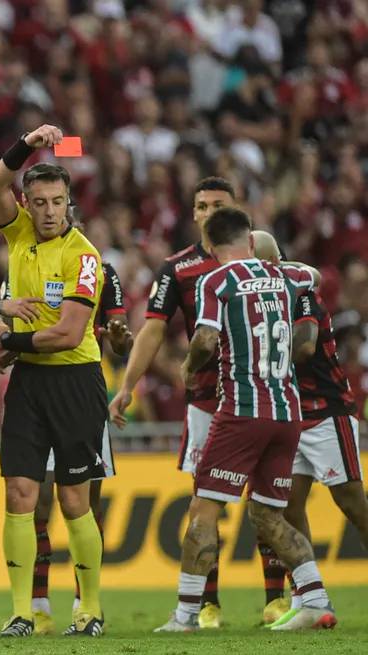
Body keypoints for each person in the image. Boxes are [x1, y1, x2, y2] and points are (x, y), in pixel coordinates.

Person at [155, 207, 336, 633]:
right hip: (288, 412)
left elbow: (204, 339)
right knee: (268, 516)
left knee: (203, 509)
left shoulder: (215, 279)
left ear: (213, 248)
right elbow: (315, 275)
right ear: (250, 242)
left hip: (242, 410)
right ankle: (315, 600)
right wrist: (279, 265)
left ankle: (185, 616)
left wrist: (186, 368)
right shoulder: (287, 276)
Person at [108, 176, 262, 627]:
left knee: (271, 501)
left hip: (258, 394)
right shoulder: (178, 268)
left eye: (218, 204)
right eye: (201, 205)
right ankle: (208, 603)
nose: (209, 212)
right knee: (203, 502)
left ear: (236, 212)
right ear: (193, 214)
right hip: (206, 400)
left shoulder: (264, 258)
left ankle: (278, 598)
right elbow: (154, 328)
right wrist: (127, 384)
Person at [0, 124, 108, 637]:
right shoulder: (19, 234)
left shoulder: (84, 256)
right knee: (17, 493)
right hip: (30, 384)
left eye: (58, 201)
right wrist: (26, 146)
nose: (49, 210)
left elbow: (67, 334)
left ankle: (90, 609)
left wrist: (4, 339)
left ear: (69, 204)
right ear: (27, 206)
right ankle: (21, 612)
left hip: (76, 380)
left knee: (74, 499)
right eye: (40, 202)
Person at [252, 231, 368, 614]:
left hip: (326, 413)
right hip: (290, 416)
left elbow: (303, 345)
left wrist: (259, 356)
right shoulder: (257, 300)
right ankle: (310, 599)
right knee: (287, 507)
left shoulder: (301, 294)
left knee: (353, 504)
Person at [28, 259, 132, 634]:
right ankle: (37, 606)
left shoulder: (100, 269)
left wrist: (120, 337)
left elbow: (122, 339)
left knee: (86, 506)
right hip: (37, 395)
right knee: (37, 501)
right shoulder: (27, 260)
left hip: (83, 397)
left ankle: (85, 604)